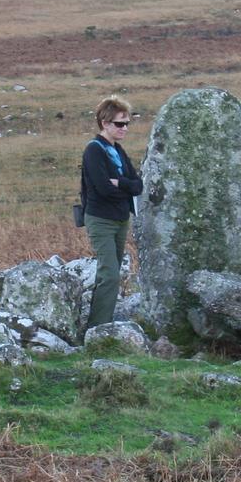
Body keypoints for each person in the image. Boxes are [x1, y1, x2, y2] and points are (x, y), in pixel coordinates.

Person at [79, 95, 143, 329]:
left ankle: (99, 324)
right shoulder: (94, 151)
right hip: (100, 219)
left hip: (120, 219)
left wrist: (121, 184)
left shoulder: (118, 150)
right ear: (104, 123)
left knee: (110, 273)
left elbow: (138, 185)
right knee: (110, 274)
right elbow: (104, 188)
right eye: (119, 123)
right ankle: (98, 328)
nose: (124, 128)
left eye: (127, 123)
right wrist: (124, 186)